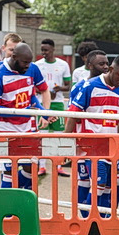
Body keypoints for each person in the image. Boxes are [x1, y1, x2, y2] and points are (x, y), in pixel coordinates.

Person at [65, 55, 119, 235]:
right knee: (97, 185)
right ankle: (89, 228)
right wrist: (64, 143)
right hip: (91, 147)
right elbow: (72, 115)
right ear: (110, 69)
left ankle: (102, 227)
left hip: (112, 148)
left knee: (112, 187)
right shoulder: (89, 86)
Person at [0, 43, 52, 189]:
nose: (27, 66)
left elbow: (31, 96)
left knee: (31, 168)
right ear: (14, 57)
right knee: (9, 171)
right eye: (24, 62)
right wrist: (23, 111)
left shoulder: (32, 68)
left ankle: (21, 200)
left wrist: (43, 112)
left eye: (29, 62)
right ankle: (7, 202)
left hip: (28, 128)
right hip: (6, 129)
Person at [68, 50, 110, 217]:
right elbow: (72, 115)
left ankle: (102, 221)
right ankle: (85, 220)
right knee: (85, 182)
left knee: (107, 184)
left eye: (107, 63)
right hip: (83, 144)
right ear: (90, 66)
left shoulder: (112, 87)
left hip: (105, 145)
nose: (106, 67)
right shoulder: (81, 86)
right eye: (101, 64)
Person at [36, 38, 72, 177]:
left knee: (58, 134)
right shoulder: (37, 65)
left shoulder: (63, 64)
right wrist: (43, 92)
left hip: (57, 103)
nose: (44, 52)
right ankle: (42, 166)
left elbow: (68, 86)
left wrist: (58, 89)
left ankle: (58, 166)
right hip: (42, 104)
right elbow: (33, 85)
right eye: (42, 50)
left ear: (53, 49)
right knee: (42, 134)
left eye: (46, 50)